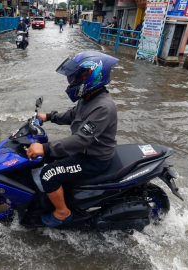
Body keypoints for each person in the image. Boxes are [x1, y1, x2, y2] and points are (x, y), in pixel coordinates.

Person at [26, 51, 119, 227]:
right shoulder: (90, 98)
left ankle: (63, 213)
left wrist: (45, 148)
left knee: (49, 174)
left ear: (91, 77)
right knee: (47, 159)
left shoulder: (103, 107)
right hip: (85, 151)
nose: (72, 82)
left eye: (76, 78)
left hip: (94, 159)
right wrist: (48, 116)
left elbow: (80, 140)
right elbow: (73, 115)